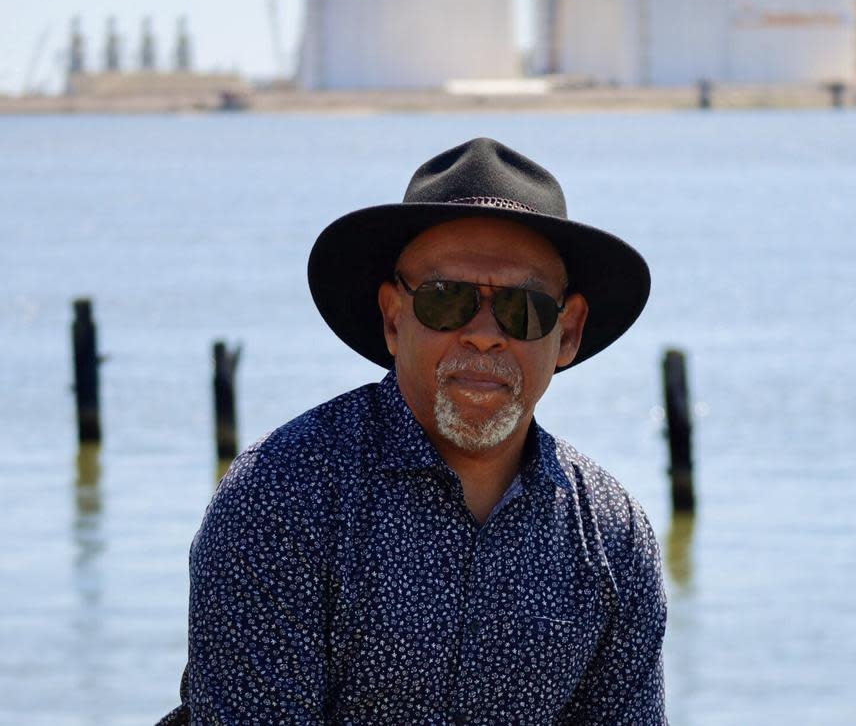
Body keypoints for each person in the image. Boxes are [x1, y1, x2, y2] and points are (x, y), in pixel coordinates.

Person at [158, 137, 666, 724]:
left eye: (523, 308)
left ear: (568, 333)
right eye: (445, 300)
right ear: (393, 318)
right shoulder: (281, 496)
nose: (482, 334)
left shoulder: (613, 538)